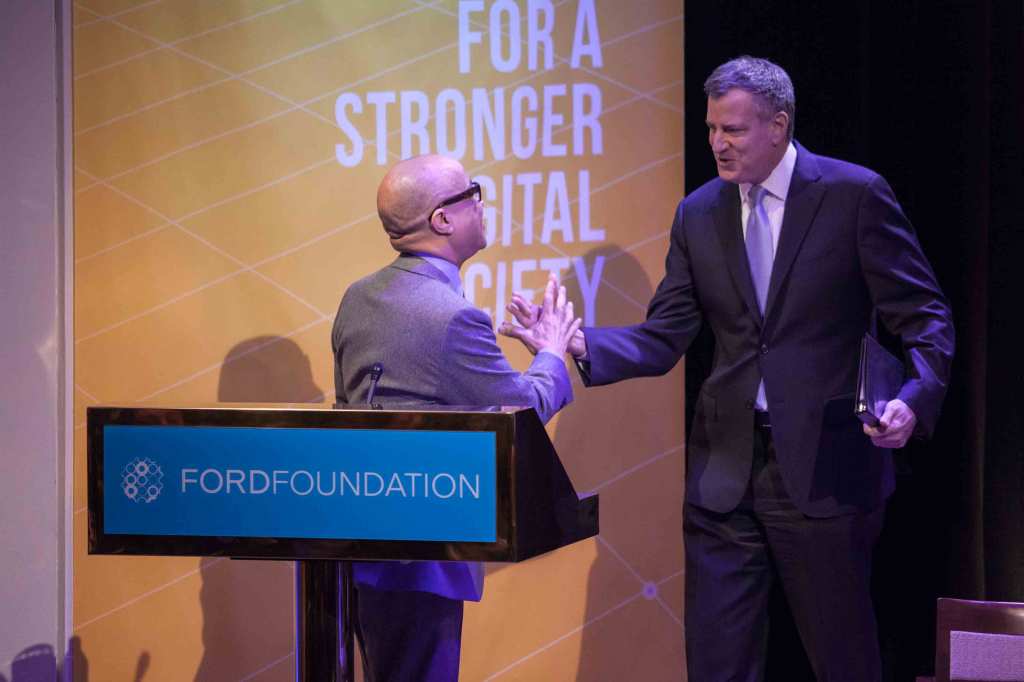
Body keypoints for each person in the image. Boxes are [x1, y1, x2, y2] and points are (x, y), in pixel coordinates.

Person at [501, 56, 954, 681]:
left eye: (733, 130)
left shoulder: (854, 196)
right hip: (723, 475)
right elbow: (665, 337)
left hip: (827, 468)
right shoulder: (699, 212)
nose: (717, 142)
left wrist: (914, 395)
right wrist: (572, 344)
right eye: (711, 128)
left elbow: (925, 315)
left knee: (843, 660)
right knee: (717, 665)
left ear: (779, 125)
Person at [331, 153, 581, 682]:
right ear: (443, 220)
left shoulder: (357, 298)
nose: (482, 203)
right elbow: (523, 411)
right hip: (425, 551)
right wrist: (552, 351)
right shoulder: (452, 317)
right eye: (473, 192)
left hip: (360, 545)